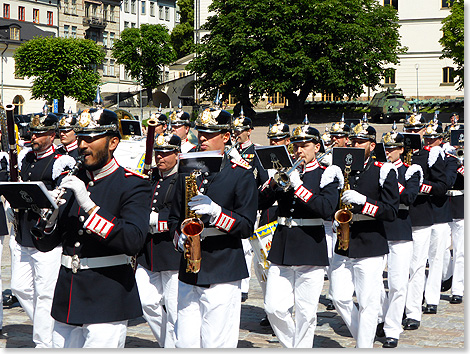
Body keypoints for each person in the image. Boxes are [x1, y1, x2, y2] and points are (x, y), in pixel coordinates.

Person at [32, 107, 152, 348]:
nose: (82, 145)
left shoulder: (132, 185)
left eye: (91, 138)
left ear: (113, 142)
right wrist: (50, 217)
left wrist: (89, 205)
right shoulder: (72, 179)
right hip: (68, 295)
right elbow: (44, 244)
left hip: (107, 294)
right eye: (81, 138)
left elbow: (133, 240)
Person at [168, 106, 258, 348]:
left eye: (210, 134)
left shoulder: (240, 174)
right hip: (189, 267)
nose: (203, 139)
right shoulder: (187, 170)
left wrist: (218, 214)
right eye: (201, 133)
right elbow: (174, 216)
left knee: (215, 343)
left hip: (223, 267)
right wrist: (179, 238)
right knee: (184, 342)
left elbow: (246, 226)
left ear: (226, 137)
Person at [258, 118, 342, 348]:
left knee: (306, 312)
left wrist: (298, 187)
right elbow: (260, 203)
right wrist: (272, 183)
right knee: (273, 307)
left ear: (317, 146)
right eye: (295, 145)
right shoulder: (286, 172)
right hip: (283, 245)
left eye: (304, 145)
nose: (299, 150)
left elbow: (326, 209)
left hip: (310, 246)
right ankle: (292, 346)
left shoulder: (328, 173)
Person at [329, 117, 400, 348]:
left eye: (362, 142)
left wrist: (365, 202)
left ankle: (364, 346)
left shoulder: (384, 170)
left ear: (372, 145)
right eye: (354, 141)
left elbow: (390, 211)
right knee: (338, 296)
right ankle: (363, 334)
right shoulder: (340, 168)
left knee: (368, 303)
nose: (357, 145)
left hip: (370, 241)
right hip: (344, 241)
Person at [12, 110, 74, 348]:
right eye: (32, 133)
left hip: (46, 235)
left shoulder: (61, 161)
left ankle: (43, 343)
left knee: (45, 292)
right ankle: (46, 328)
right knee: (20, 287)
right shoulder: (26, 158)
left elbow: (63, 197)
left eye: (39, 134)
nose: (33, 138)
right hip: (24, 233)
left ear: (52, 135)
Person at [376, 124, 423, 348]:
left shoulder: (411, 170)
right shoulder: (376, 169)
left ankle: (393, 328)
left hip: (400, 228)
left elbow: (410, 198)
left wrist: (392, 180)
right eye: (386, 147)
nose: (388, 151)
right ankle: (382, 317)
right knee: (373, 281)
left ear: (402, 150)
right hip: (378, 228)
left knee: (397, 283)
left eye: (393, 148)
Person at [135, 130, 182, 348]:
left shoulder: (182, 179)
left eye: (165, 153)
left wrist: (160, 221)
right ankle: (167, 343)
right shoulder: (151, 178)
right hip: (148, 253)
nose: (160, 157)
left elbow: (183, 214)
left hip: (171, 252)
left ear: (177, 154)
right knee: (147, 302)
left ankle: (174, 346)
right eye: (158, 153)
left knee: (174, 307)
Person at [403, 115, 448, 330]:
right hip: (397, 215)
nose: (412, 133)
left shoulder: (428, 155)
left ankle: (414, 310)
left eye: (416, 129)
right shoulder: (395, 153)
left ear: (423, 131)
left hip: (421, 213)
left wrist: (419, 186)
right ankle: (401, 305)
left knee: (418, 265)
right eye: (408, 129)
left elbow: (440, 187)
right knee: (400, 268)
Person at [322, 116, 351, 311]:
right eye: (333, 136)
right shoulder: (325, 157)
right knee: (328, 257)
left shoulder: (351, 157)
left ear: (347, 139)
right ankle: (334, 292)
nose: (335, 139)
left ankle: (339, 294)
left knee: (341, 257)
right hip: (327, 214)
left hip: (344, 212)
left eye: (339, 136)